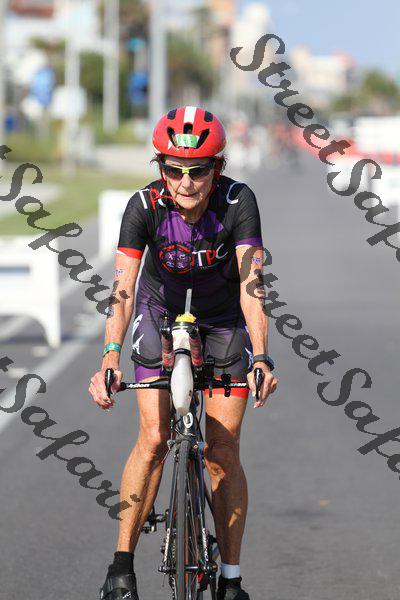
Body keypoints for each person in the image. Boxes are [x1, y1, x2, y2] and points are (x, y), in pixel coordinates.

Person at [89, 106, 278, 600]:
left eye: (199, 171)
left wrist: (261, 356)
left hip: (222, 319)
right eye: (174, 170)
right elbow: (122, 290)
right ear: (160, 168)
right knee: (153, 438)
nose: (186, 182)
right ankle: (121, 567)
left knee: (222, 452)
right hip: (158, 310)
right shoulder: (143, 206)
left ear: (218, 168)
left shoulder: (238, 201)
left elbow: (252, 285)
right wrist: (110, 356)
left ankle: (231, 580)